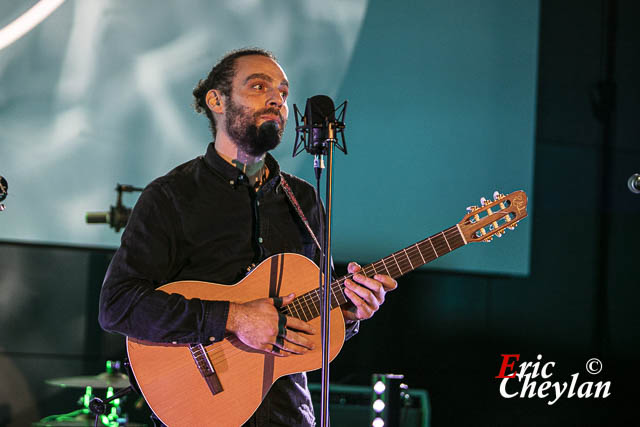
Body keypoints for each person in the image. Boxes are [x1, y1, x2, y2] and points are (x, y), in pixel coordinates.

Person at [98, 48, 397, 426]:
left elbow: (310, 318)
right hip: (199, 411)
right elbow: (118, 306)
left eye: (284, 94)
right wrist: (235, 317)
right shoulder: (171, 196)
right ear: (217, 100)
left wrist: (351, 311)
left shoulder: (303, 199)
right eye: (259, 86)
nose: (277, 99)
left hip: (288, 414)